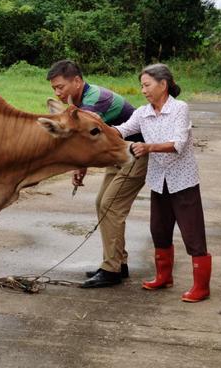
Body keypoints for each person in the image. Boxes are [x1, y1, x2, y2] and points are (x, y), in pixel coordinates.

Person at [113, 63, 211, 302]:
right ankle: (164, 277)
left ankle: (201, 287)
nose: (143, 90)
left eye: (147, 85)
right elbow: (122, 130)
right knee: (159, 230)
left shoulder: (179, 109)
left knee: (193, 234)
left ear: (163, 84)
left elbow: (178, 143)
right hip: (158, 181)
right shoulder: (142, 113)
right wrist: (97, 128)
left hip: (183, 181)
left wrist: (148, 147)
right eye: (141, 86)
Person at [46, 60, 148, 288]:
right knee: (102, 203)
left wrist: (79, 166)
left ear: (77, 81)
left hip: (136, 153)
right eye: (54, 88)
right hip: (116, 154)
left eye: (60, 87)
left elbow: (83, 135)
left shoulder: (94, 100)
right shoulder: (78, 101)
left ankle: (111, 270)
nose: (57, 92)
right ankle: (118, 263)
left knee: (111, 205)